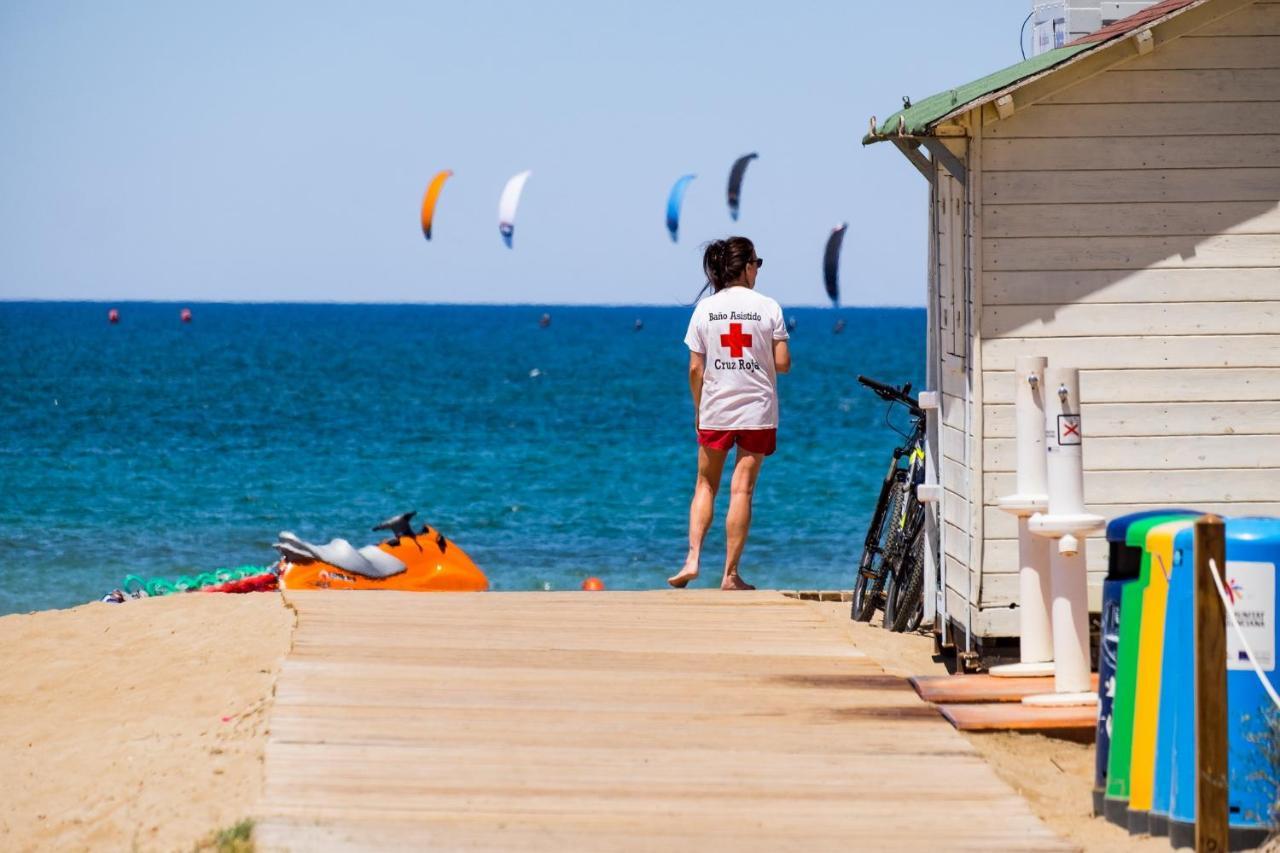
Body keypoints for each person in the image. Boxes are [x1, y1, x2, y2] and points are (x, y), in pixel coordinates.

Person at [668, 236, 790, 591]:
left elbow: (695, 369)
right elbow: (782, 364)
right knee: (741, 492)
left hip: (715, 407)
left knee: (705, 484)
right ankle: (730, 575)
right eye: (758, 264)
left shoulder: (706, 310)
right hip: (757, 410)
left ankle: (692, 558)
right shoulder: (768, 307)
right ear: (748, 266)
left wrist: (698, 407)